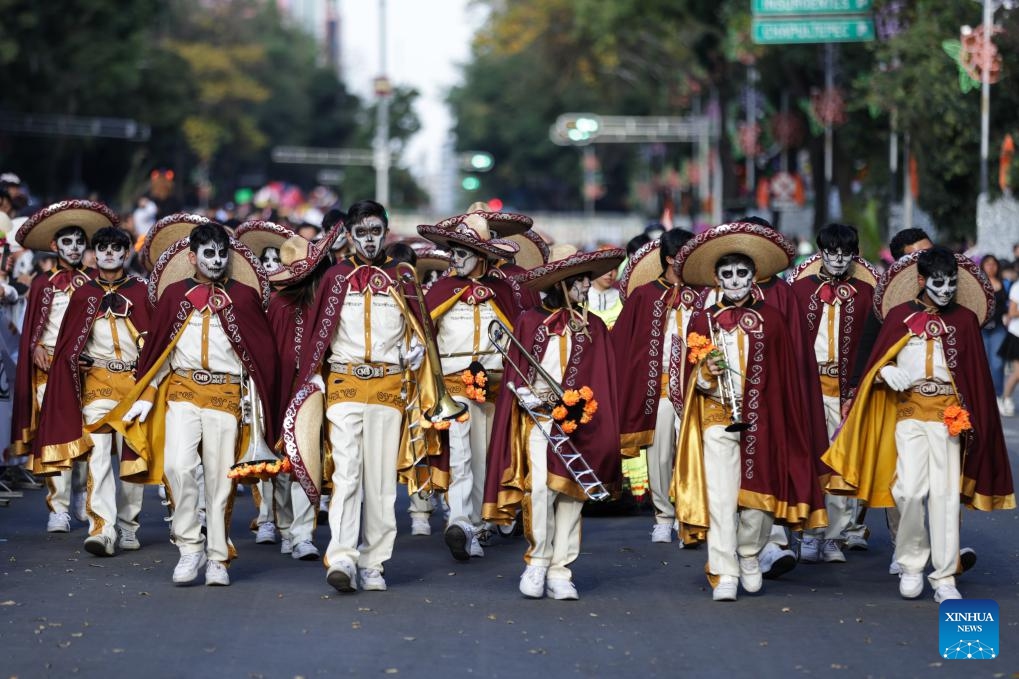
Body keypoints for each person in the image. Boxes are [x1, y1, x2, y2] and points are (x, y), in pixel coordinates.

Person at [823, 248, 1014, 601]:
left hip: (949, 418)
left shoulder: (964, 321)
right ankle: (911, 563)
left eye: (952, 284)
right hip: (908, 414)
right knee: (908, 491)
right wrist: (884, 370)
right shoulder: (898, 317)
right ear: (922, 281)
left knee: (944, 497)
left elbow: (976, 378)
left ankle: (944, 577)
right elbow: (876, 360)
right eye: (938, 283)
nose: (945, 290)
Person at [107, 219, 280, 587]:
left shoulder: (245, 298)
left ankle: (218, 557)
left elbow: (259, 357)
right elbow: (160, 353)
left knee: (220, 481)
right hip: (183, 393)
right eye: (209, 253)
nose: (216, 260)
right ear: (193, 256)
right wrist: (148, 394)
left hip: (226, 396)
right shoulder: (174, 296)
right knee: (178, 467)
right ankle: (189, 547)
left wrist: (259, 409)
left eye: (222, 254)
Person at [672, 223, 827, 602]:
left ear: (754, 276)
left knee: (759, 497)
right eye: (727, 274)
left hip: (763, 420)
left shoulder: (773, 319)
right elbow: (686, 376)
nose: (735, 280)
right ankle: (724, 571)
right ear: (716, 278)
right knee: (723, 499)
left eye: (742, 273)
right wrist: (705, 378)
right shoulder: (702, 321)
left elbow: (786, 376)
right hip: (716, 420)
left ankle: (749, 554)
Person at [283, 200, 428, 594]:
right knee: (347, 475)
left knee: (381, 481)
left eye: (375, 231)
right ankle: (343, 555)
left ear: (386, 231)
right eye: (360, 232)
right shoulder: (335, 277)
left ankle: (375, 562)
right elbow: (318, 336)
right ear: (348, 235)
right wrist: (310, 383)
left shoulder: (403, 276)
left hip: (387, 385)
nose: (368, 240)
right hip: (345, 384)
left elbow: (419, 328)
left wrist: (415, 347)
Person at [483, 245, 624, 600]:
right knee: (542, 490)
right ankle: (538, 561)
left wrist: (589, 411)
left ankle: (562, 569)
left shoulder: (594, 327)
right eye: (580, 282)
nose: (586, 288)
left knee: (572, 495)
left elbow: (604, 379)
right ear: (563, 284)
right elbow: (516, 368)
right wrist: (524, 393)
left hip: (580, 422)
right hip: (539, 419)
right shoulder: (530, 320)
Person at [35, 226, 151, 555]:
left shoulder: (143, 293)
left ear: (127, 253)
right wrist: (76, 359)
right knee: (98, 457)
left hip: (134, 385)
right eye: (103, 247)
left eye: (117, 247)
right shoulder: (84, 294)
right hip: (97, 385)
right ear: (94, 254)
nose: (110, 253)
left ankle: (129, 527)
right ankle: (102, 529)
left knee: (134, 457)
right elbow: (70, 343)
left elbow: (155, 344)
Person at [418, 212, 522, 561]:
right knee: (461, 455)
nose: (455, 259)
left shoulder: (505, 292)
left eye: (462, 253)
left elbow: (519, 340)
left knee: (484, 458)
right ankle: (460, 521)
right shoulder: (441, 289)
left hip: (494, 386)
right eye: (453, 252)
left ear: (483, 256)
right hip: (454, 384)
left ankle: (476, 526)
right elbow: (422, 335)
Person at [11, 200, 116, 533]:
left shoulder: (97, 283)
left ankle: (88, 502)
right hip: (50, 367)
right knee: (55, 436)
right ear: (54, 246)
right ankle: (57, 507)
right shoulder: (43, 283)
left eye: (79, 241)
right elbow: (31, 327)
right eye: (66, 242)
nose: (73, 247)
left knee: (90, 439)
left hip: (88, 368)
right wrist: (35, 347)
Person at [788, 224, 878, 560]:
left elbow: (871, 346)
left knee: (842, 464)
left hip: (847, 391)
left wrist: (857, 389)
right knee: (811, 459)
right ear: (820, 253)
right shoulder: (799, 291)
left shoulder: (866, 295)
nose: (838, 259)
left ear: (854, 255)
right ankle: (810, 533)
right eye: (831, 251)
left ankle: (835, 537)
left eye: (845, 252)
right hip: (809, 388)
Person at [612, 229, 696, 543]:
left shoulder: (704, 295)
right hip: (657, 387)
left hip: (694, 387)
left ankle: (690, 514)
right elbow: (623, 343)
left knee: (692, 455)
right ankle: (663, 515)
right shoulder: (644, 295)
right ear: (672, 257)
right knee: (660, 455)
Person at [978, 255, 1007, 403]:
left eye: (993, 264)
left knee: (997, 363)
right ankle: (985, 397)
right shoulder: (978, 284)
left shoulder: (1004, 283)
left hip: (998, 329)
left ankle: (998, 395)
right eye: (987, 264)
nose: (991, 267)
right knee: (983, 364)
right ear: (982, 266)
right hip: (981, 329)